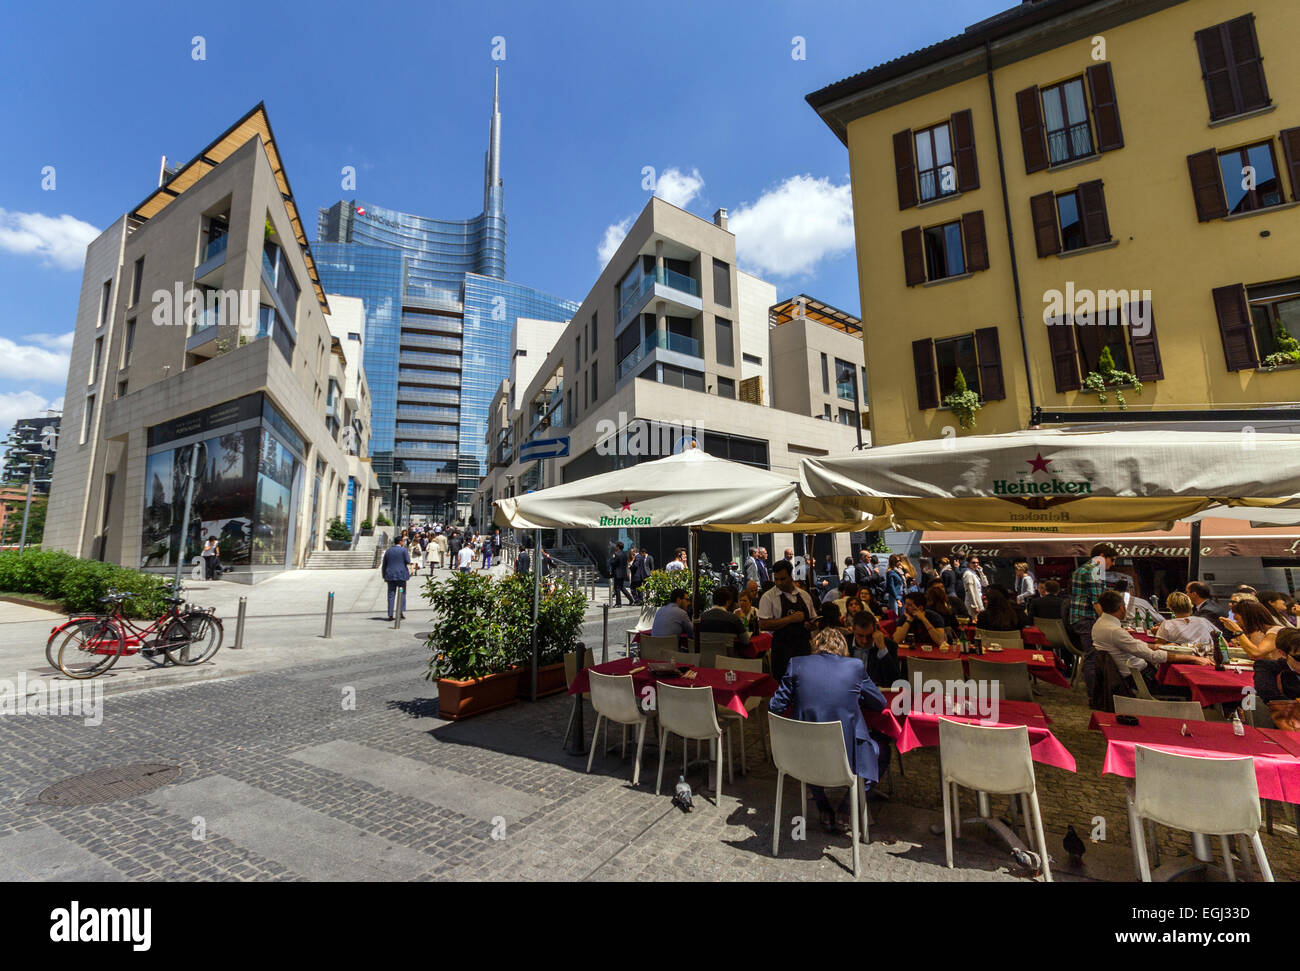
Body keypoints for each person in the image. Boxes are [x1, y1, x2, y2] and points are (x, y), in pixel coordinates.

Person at [768, 626, 887, 832]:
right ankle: (847, 807)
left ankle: (823, 805)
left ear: (815, 645)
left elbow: (775, 706)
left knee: (811, 748)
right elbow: (879, 702)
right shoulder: (855, 666)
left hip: (802, 755)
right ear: (842, 648)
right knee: (882, 751)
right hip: (847, 754)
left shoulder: (797, 664)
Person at [1092, 590, 1211, 694]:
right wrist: (1193, 659)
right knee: (1191, 687)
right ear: (1121, 608)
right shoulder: (1115, 631)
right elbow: (1153, 656)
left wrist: (1155, 646)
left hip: (1130, 677)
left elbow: (1134, 645)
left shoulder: (1099, 625)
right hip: (1140, 681)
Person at [759, 559, 818, 682]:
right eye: (776, 579)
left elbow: (814, 619)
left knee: (804, 683)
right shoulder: (768, 597)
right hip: (782, 649)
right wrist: (790, 619)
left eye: (783, 579)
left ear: (791, 576)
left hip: (803, 648)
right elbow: (764, 624)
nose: (779, 583)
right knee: (782, 685)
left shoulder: (805, 596)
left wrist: (811, 625)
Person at [1067, 543, 1116, 665]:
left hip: (1078, 618)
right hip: (1087, 618)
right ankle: (1095, 684)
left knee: (1092, 656)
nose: (1113, 564)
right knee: (1093, 658)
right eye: (1112, 559)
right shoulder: (1094, 570)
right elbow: (1097, 602)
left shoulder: (1082, 569)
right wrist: (1109, 621)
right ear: (1102, 556)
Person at [1255, 628, 1300, 729]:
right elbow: (1268, 694)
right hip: (1288, 727)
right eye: (1299, 658)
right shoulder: (1268, 667)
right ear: (1283, 653)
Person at [850, 610, 903, 687]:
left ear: (875, 630)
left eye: (869, 636)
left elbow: (895, 682)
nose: (864, 641)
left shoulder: (889, 645)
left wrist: (882, 649)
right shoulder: (844, 644)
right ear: (853, 630)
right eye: (860, 636)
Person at [1152, 591, 1219, 650]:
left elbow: (1159, 648)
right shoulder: (1203, 621)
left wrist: (1157, 634)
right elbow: (1222, 642)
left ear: (1170, 607)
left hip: (1180, 659)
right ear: (1190, 605)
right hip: (1204, 656)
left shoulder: (1166, 624)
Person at [381, 535, 412, 621]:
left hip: (390, 576)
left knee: (391, 594)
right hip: (401, 576)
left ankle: (390, 614)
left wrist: (384, 575)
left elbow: (384, 564)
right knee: (402, 593)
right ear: (401, 542)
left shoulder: (388, 551)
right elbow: (408, 561)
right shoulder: (403, 550)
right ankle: (400, 611)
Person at [961, 554, 985, 619]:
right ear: (968, 563)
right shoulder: (968, 574)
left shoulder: (974, 573)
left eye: (977, 563)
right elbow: (970, 591)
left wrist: (981, 572)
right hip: (972, 603)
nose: (976, 564)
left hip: (979, 600)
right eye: (973, 563)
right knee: (973, 622)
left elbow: (985, 584)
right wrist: (975, 606)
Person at [884, 554, 907, 618]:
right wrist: (897, 599)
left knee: (903, 615)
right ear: (893, 562)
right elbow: (891, 586)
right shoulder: (891, 572)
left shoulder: (899, 571)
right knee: (895, 615)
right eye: (898, 561)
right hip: (894, 597)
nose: (900, 562)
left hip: (902, 595)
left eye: (900, 560)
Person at [609, 541, 631, 607]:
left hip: (617, 574)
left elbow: (613, 563)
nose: (615, 548)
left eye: (616, 546)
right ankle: (631, 599)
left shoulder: (616, 554)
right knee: (622, 588)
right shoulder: (625, 554)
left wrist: (613, 558)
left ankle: (618, 603)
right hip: (623, 573)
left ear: (618, 547)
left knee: (617, 588)